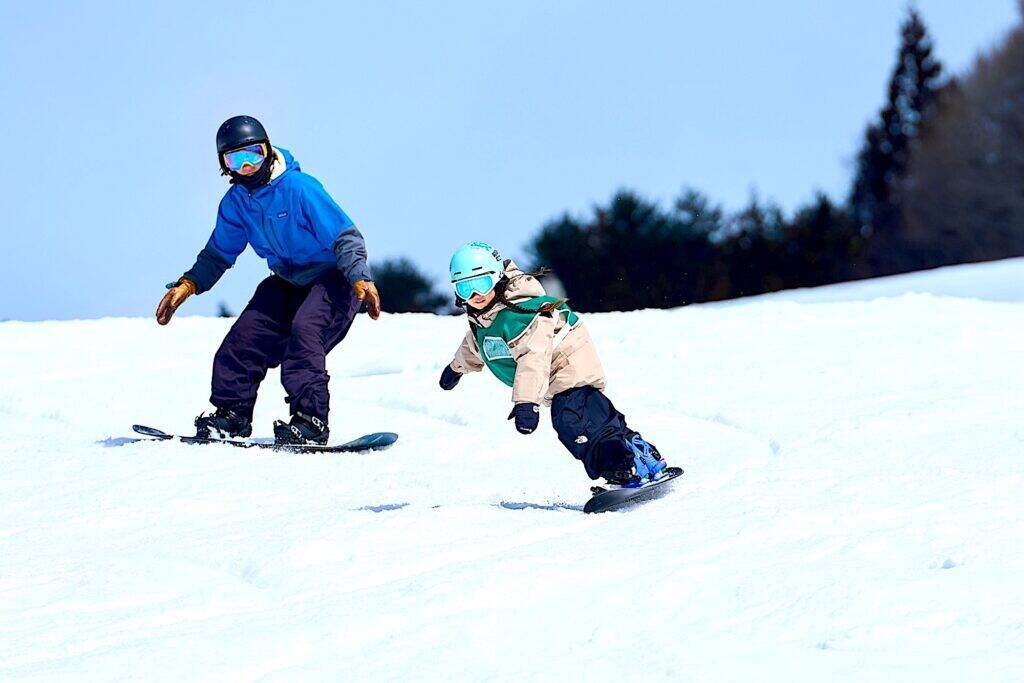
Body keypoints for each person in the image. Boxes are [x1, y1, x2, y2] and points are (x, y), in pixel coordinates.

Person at [155, 115, 381, 445]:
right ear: (224, 165)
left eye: (254, 155)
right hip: (287, 280)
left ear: (268, 151)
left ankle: (311, 421)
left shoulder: (299, 188)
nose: (247, 166)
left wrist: (360, 278)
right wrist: (187, 284)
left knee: (306, 334)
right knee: (244, 336)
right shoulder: (236, 204)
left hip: (333, 279)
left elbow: (345, 236)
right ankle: (233, 414)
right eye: (236, 159)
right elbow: (218, 253)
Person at [437, 241, 668, 487]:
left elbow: (532, 359)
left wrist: (526, 402)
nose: (475, 296)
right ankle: (640, 454)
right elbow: (475, 347)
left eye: (481, 284)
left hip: (567, 361)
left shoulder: (521, 312)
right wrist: (456, 369)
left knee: (573, 419)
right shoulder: (483, 319)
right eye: (464, 288)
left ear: (497, 278)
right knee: (591, 417)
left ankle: (623, 468)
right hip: (553, 373)